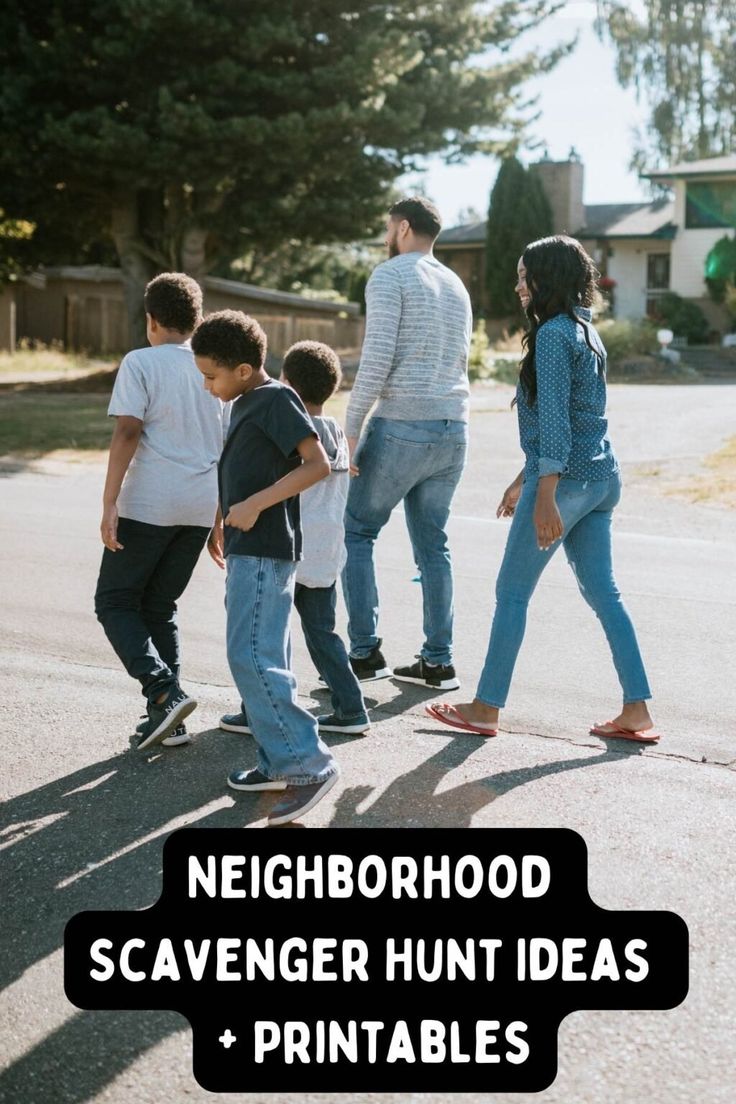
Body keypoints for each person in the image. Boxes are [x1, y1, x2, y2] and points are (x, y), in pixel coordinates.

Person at [427, 235, 658, 744]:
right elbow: (573, 415)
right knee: (605, 593)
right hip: (600, 478)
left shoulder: (554, 335)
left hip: (568, 482)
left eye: (524, 276)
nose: (518, 287)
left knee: (511, 593)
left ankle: (485, 708)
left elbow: (555, 420)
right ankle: (637, 710)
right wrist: (523, 478)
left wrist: (545, 492)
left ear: (545, 278)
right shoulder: (585, 330)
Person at [192, 310, 340, 826]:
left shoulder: (276, 398)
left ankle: (309, 766)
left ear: (242, 368)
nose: (207, 386)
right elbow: (244, 468)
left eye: (211, 376)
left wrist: (253, 507)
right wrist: (221, 518)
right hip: (246, 545)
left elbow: (316, 464)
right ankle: (279, 761)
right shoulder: (247, 401)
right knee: (262, 653)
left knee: (250, 656)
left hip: (265, 547)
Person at [343, 195, 473, 690]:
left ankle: (364, 654)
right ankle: (438, 661)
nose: (385, 236)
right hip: (453, 427)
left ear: (401, 228)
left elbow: (376, 358)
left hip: (401, 424)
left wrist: (351, 429)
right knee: (433, 546)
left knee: (356, 532)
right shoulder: (455, 284)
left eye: (387, 228)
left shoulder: (391, 275)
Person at [94, 272, 229, 750]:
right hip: (197, 505)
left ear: (151, 319)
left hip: (150, 503)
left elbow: (128, 431)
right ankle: (169, 718)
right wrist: (216, 515)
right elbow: (224, 445)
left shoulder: (141, 362)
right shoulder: (213, 368)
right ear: (195, 321)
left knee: (113, 601)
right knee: (159, 607)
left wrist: (110, 502)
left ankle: (163, 689)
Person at [219, 340, 370, 738]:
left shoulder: (293, 431)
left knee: (267, 633)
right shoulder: (335, 430)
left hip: (291, 547)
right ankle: (351, 707)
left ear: (285, 383)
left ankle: (258, 710)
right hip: (327, 552)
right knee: (322, 633)